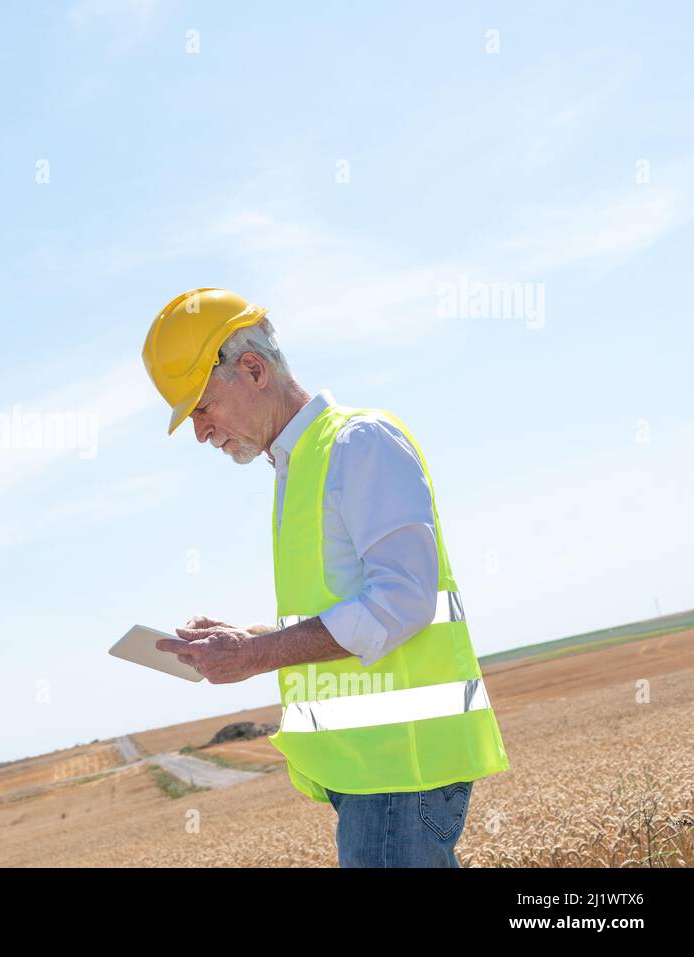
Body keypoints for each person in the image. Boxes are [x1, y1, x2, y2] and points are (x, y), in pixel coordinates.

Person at [142, 288, 510, 867]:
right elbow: (348, 606)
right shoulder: (300, 466)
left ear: (254, 369)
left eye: (202, 407)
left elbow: (402, 601)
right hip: (371, 776)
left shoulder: (356, 442)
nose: (200, 432)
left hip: (400, 771)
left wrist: (259, 654)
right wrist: (247, 639)